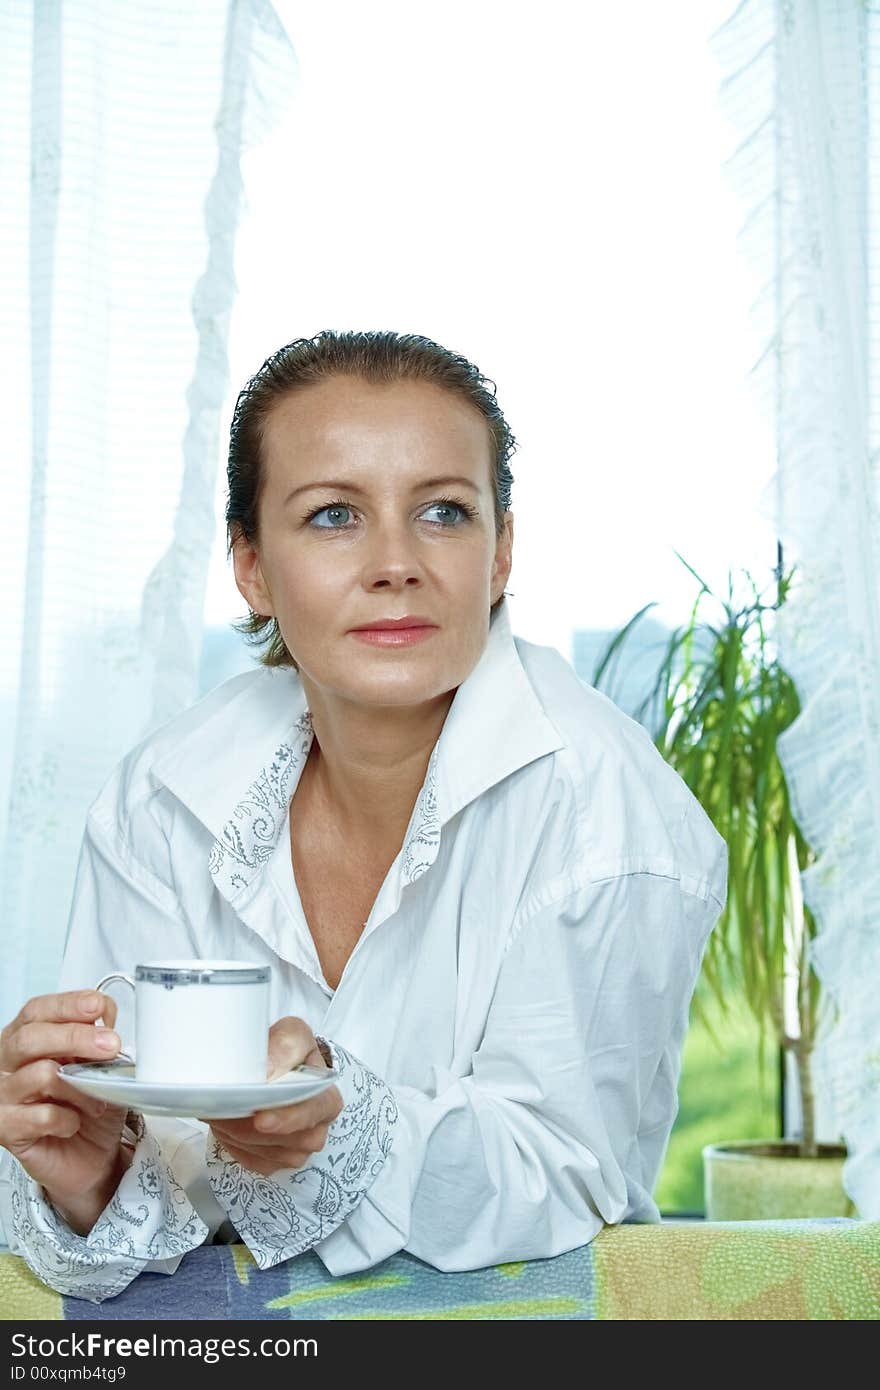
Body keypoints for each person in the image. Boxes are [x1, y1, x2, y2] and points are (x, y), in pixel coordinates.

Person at [0, 330, 728, 1304]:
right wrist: (88, 1171)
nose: (395, 562)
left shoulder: (606, 811)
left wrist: (333, 1125)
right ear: (252, 566)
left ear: (500, 550)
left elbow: (568, 1171)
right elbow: (155, 1180)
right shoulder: (160, 801)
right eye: (335, 514)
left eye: (443, 511)